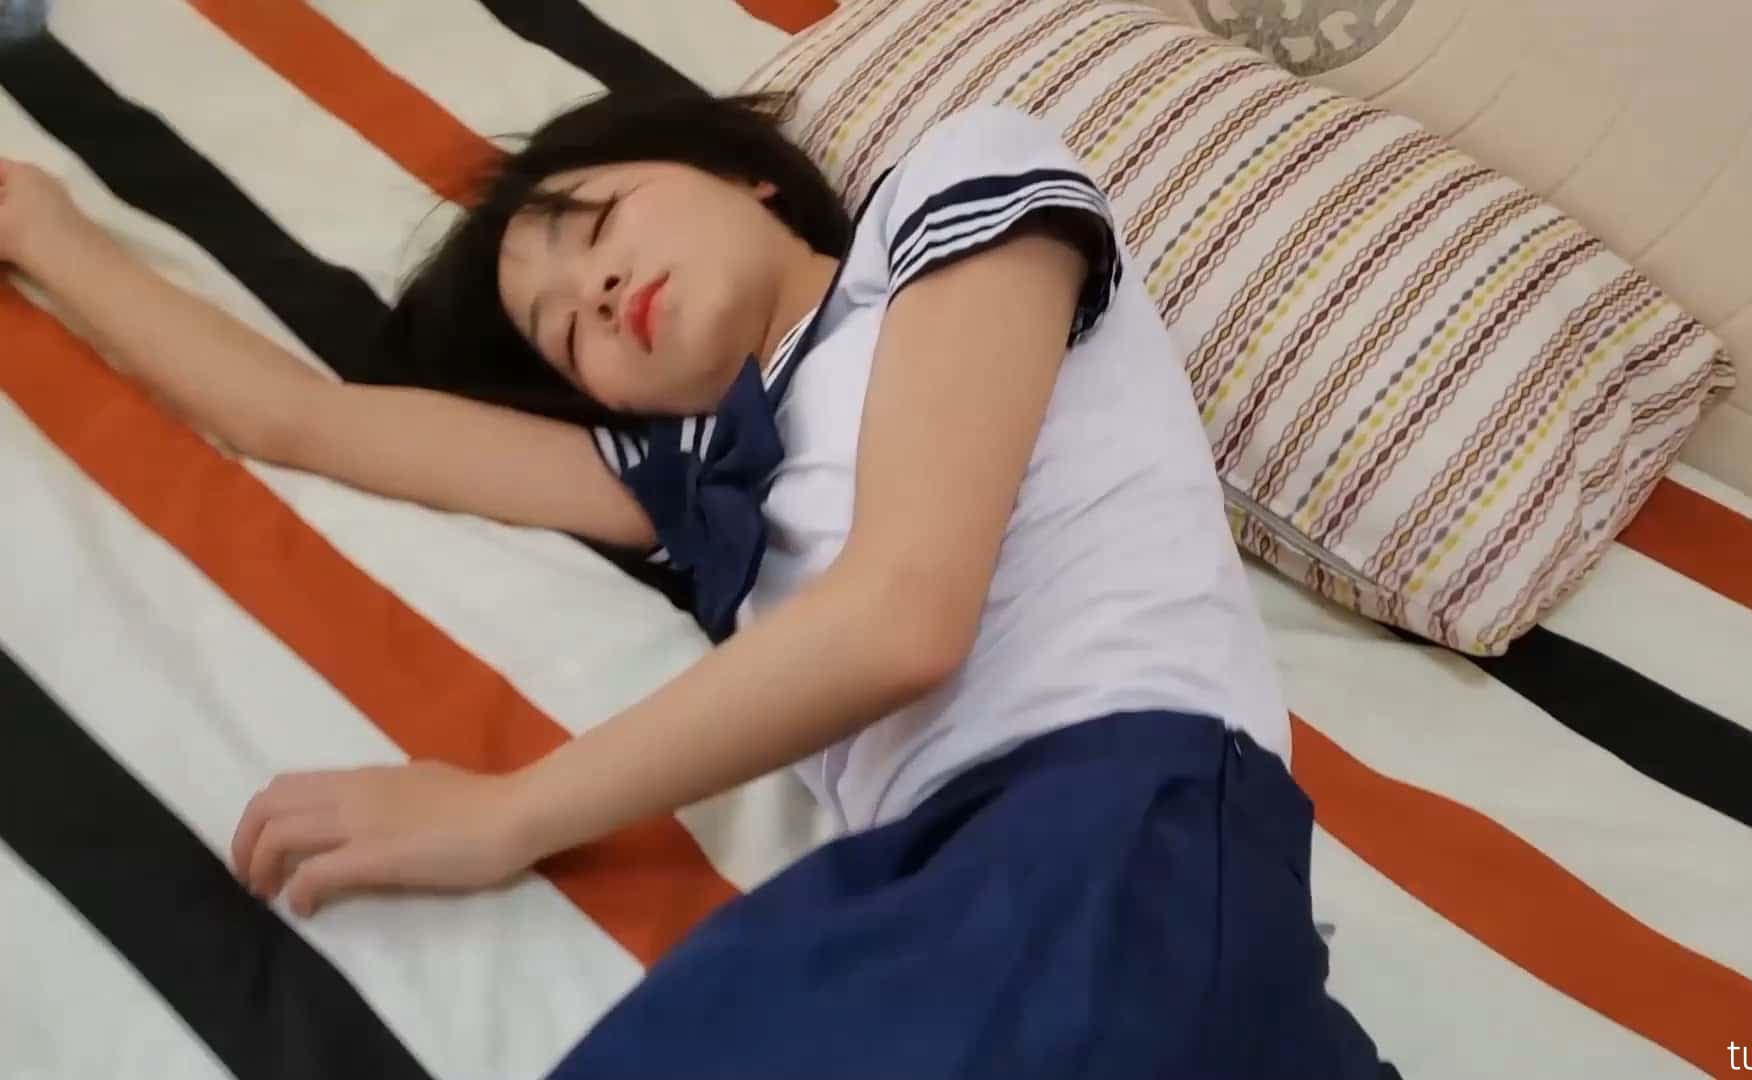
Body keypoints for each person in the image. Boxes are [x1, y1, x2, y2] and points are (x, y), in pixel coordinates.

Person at [0, 91, 1396, 1078]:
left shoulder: (957, 185)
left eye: (597, 223)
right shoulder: (693, 478)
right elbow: (303, 421)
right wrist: (49, 229)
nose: (598, 295)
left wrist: (505, 813)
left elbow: (907, 614)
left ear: (747, 175)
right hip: (929, 884)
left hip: (1127, 807)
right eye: (565, 333)